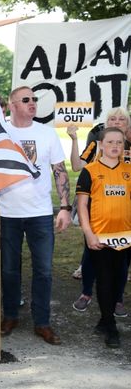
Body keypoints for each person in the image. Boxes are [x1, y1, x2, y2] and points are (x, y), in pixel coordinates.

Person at [0, 86, 72, 345]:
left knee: (43, 270)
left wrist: (65, 207)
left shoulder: (47, 133)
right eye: (26, 99)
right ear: (13, 104)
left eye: (34, 99)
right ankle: (10, 315)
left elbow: (60, 170)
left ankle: (42, 322)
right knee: (9, 270)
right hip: (7, 212)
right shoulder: (0, 130)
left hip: (40, 213)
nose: (32, 103)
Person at [67, 107, 131, 315]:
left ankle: (118, 299)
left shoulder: (127, 147)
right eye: (112, 118)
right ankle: (86, 293)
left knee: (122, 260)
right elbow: (77, 166)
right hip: (97, 210)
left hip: (123, 214)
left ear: (127, 124)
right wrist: (74, 139)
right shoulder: (97, 143)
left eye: (122, 119)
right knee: (91, 253)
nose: (117, 121)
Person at [76, 127, 131, 348]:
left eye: (119, 142)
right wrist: (89, 234)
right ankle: (110, 327)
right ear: (101, 144)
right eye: (110, 142)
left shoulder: (129, 170)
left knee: (119, 280)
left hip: (125, 237)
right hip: (100, 237)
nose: (115, 146)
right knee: (105, 280)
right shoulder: (89, 171)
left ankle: (103, 319)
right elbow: (82, 206)